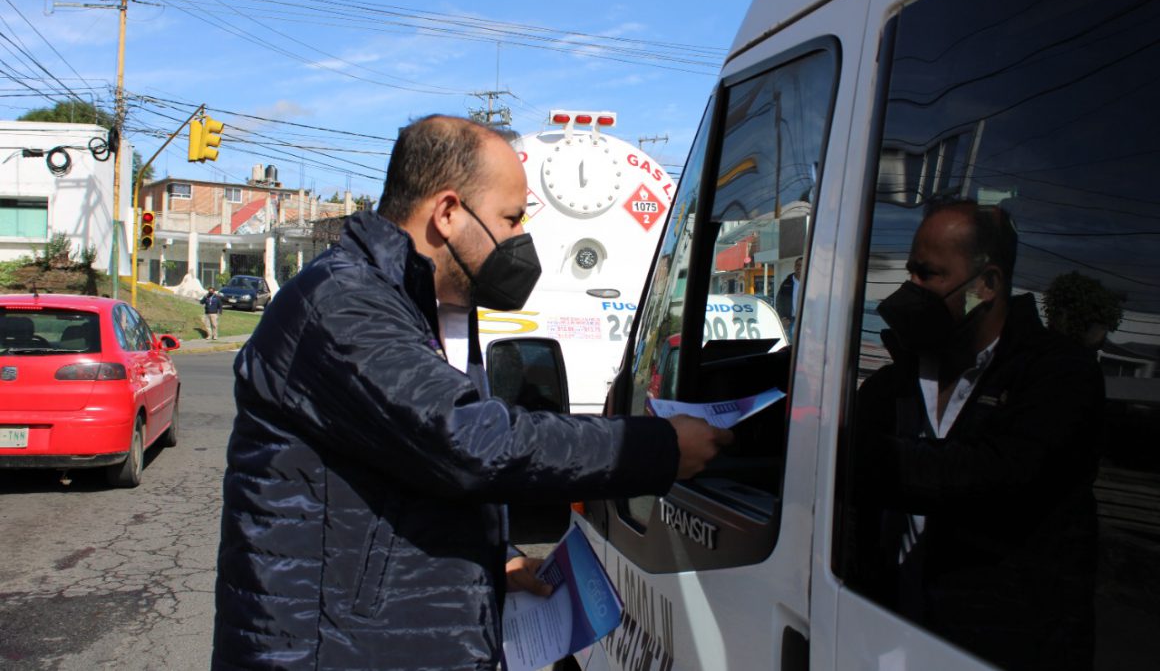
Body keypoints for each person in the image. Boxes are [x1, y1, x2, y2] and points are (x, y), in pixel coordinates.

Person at [211, 115, 732, 670]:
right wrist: (661, 448)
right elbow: (469, 441)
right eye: (510, 219)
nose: (520, 240)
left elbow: (404, 474)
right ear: (448, 212)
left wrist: (496, 557)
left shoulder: (431, 307)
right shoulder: (342, 305)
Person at [854, 201, 1104, 670]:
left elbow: (992, 475)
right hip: (885, 640)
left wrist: (853, 455)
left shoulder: (1059, 376)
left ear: (987, 284)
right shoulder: (894, 386)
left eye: (929, 275)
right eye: (911, 272)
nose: (912, 288)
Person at [775, 256, 802, 336]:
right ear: (794, 267)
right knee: (793, 342)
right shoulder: (787, 283)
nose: (799, 267)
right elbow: (779, 301)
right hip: (791, 319)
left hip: (807, 319)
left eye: (802, 265)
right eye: (798, 265)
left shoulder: (811, 281)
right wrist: (782, 317)